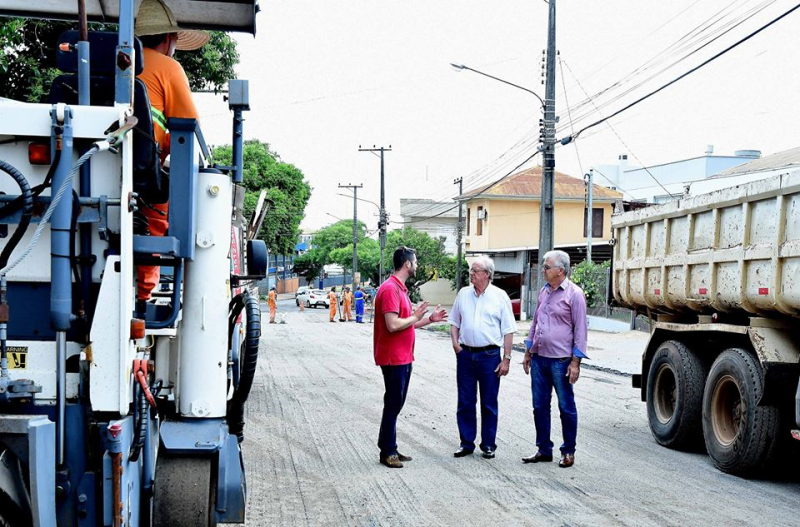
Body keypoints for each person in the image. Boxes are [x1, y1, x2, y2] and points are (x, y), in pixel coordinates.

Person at [133, 0, 209, 310]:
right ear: (168, 38)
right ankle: (142, 297)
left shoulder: (114, 61)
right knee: (155, 219)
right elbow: (187, 130)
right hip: (141, 171)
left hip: (94, 166)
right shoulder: (168, 68)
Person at [375, 247, 447, 468]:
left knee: (396, 403)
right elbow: (392, 324)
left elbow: (408, 324)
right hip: (393, 357)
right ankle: (388, 451)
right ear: (407, 264)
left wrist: (429, 319)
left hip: (404, 357)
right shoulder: (390, 289)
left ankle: (390, 446)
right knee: (393, 403)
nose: (417, 265)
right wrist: (415, 316)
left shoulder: (400, 289)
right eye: (415, 262)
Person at [522, 250, 588, 469]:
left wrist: (576, 362)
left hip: (561, 361)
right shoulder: (544, 291)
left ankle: (568, 451)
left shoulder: (574, 294)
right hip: (539, 358)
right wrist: (528, 350)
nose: (543, 270)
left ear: (560, 270)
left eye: (546, 267)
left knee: (566, 407)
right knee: (539, 406)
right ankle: (544, 449)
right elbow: (536, 322)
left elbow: (581, 331)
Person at [449, 256, 516, 460]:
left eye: (475, 271)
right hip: (465, 355)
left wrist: (506, 359)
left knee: (488, 402)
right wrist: (456, 345)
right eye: (471, 270)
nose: (471, 274)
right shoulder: (463, 294)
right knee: (465, 401)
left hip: (489, 356)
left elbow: (508, 330)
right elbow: (454, 322)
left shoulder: (500, 296)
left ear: (487, 274)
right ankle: (466, 443)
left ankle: (488, 444)